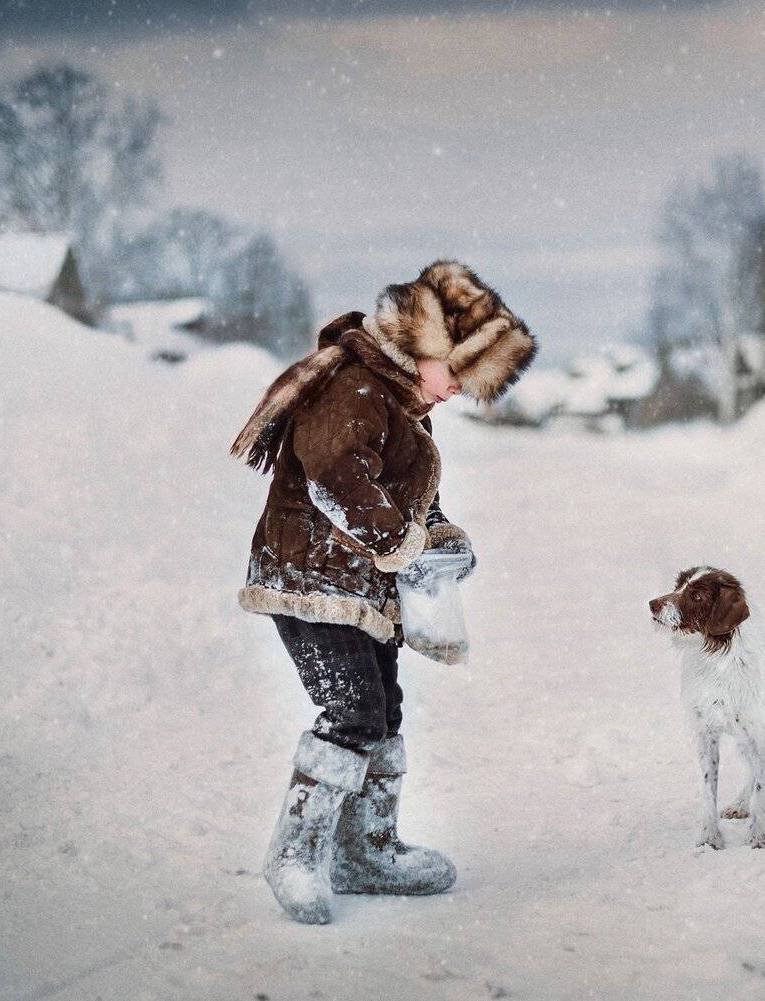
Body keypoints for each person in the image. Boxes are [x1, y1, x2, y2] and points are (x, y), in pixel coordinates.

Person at [229, 260, 536, 924]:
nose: (456, 390)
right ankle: (298, 851)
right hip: (309, 579)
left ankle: (365, 849)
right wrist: (402, 544)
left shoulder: (401, 401)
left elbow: (410, 494)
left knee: (384, 712)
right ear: (427, 347)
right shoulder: (355, 386)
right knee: (354, 712)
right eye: (457, 372)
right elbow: (336, 477)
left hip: (363, 588)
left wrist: (439, 537)